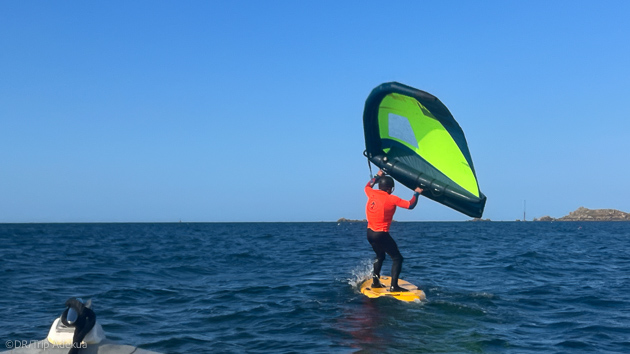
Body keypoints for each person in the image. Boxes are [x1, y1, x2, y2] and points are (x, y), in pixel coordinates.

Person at [364, 169, 423, 292]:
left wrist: (377, 175)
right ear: (390, 189)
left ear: (380, 186)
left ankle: (375, 283)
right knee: (397, 258)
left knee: (380, 256)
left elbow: (368, 185)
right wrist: (416, 193)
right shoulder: (391, 198)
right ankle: (394, 287)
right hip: (381, 234)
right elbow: (410, 205)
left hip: (369, 233)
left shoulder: (371, 193)